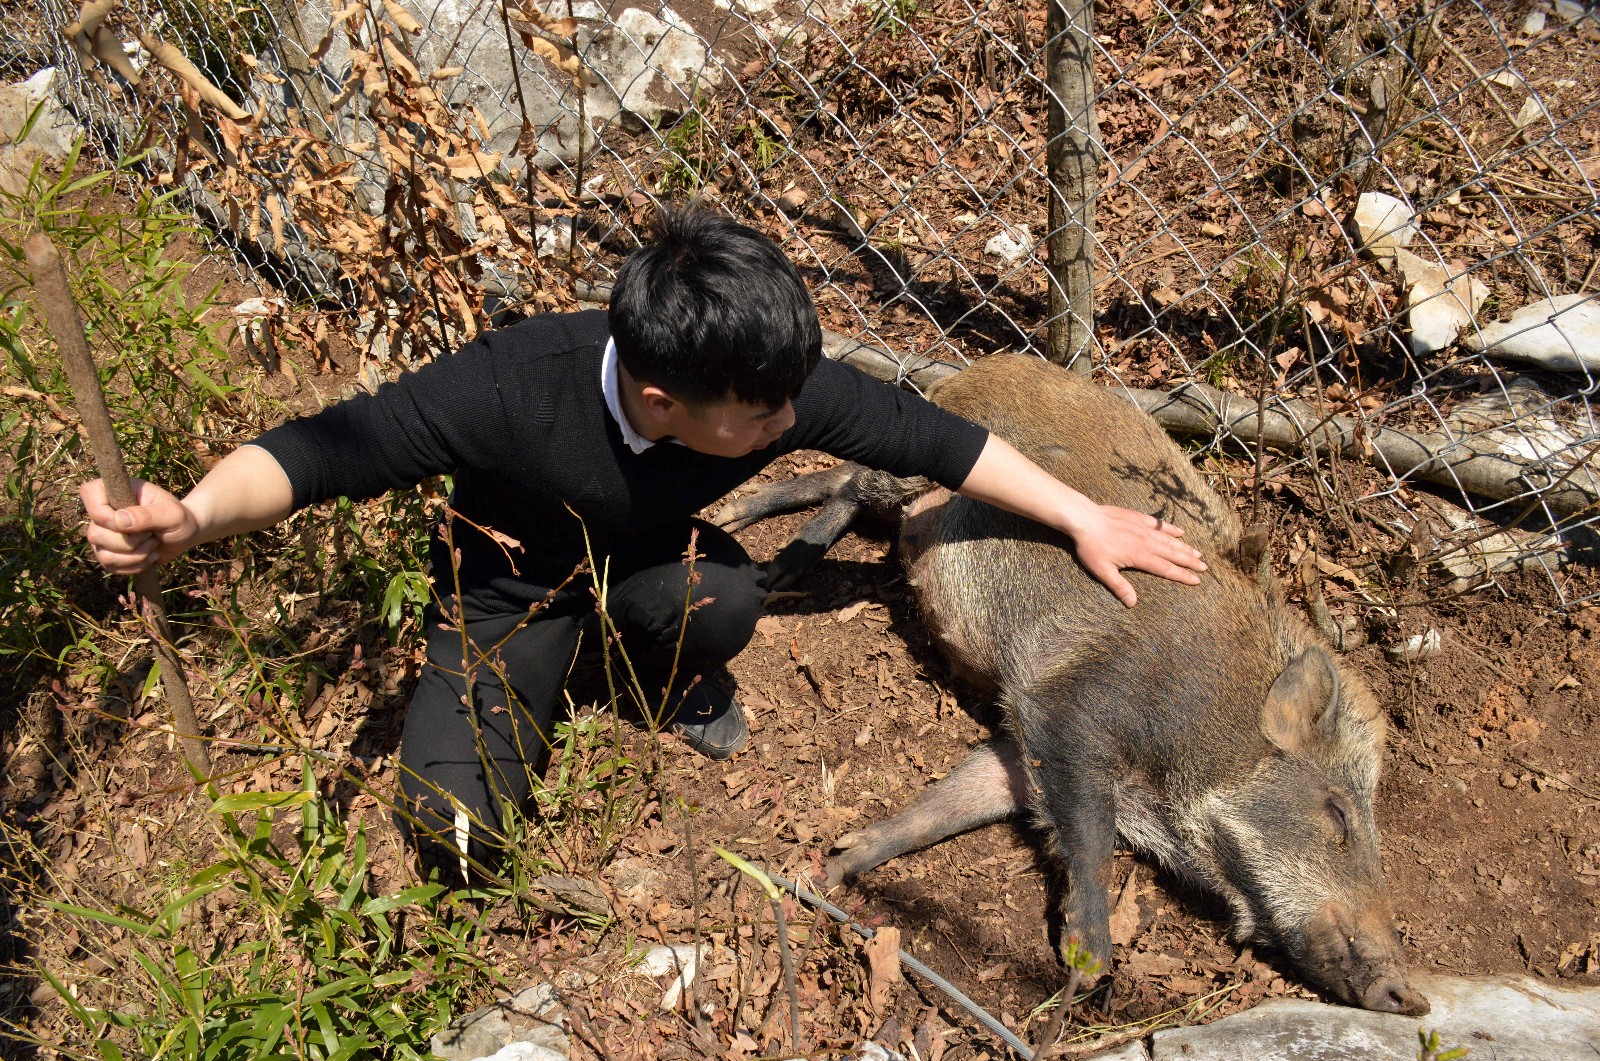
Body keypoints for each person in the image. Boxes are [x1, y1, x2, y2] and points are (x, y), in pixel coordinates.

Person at [80, 205, 1206, 878]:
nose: (786, 427)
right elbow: (331, 448)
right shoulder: (511, 389)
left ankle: (655, 676)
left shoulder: (764, 380)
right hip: (507, 590)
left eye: (788, 404)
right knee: (456, 832)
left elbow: (931, 435)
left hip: (649, 563)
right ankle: (541, 679)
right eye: (761, 419)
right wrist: (190, 515)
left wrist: (1077, 512)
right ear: (662, 398)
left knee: (729, 600)